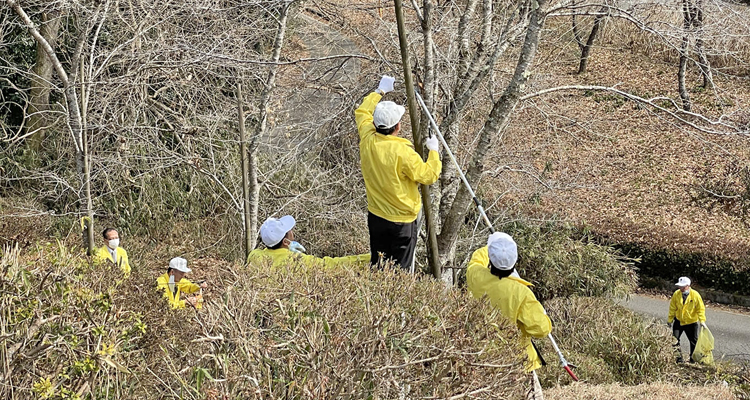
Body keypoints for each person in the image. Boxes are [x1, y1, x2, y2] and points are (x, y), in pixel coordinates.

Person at [355, 75, 442, 269]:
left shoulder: (367, 138)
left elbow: (362, 112)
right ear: (398, 127)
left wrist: (380, 91)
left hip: (376, 215)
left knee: (379, 265)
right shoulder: (404, 153)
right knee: (400, 271)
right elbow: (429, 176)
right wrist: (434, 152)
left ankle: (377, 296)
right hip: (401, 222)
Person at [466, 232, 552, 373]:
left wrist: (493, 245)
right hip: (518, 362)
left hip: (480, 357)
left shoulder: (476, 276)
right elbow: (541, 330)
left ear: (491, 258)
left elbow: (476, 260)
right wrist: (542, 315)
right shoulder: (521, 293)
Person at [247, 215, 370, 268]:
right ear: (285, 242)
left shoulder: (254, 256)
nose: (292, 232)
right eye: (289, 231)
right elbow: (331, 264)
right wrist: (368, 258)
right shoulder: (297, 261)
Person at [668, 276, 707, 362]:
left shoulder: (695, 295)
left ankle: (693, 360)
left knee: (693, 342)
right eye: (679, 286)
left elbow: (700, 308)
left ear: (688, 286)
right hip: (679, 321)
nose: (680, 288)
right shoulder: (676, 294)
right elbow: (672, 307)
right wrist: (670, 320)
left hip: (691, 322)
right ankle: (678, 359)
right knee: (674, 340)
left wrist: (702, 320)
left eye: (682, 286)